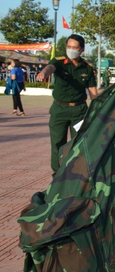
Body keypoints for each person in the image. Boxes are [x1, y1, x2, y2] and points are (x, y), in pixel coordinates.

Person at [36, 34, 98, 174]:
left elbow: (93, 92)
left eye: (74, 47)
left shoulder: (87, 67)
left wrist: (98, 109)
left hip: (80, 111)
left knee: (80, 143)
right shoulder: (59, 61)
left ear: (82, 49)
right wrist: (43, 73)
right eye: (68, 47)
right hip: (60, 109)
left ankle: (77, 175)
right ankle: (57, 176)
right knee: (58, 143)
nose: (71, 50)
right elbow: (50, 67)